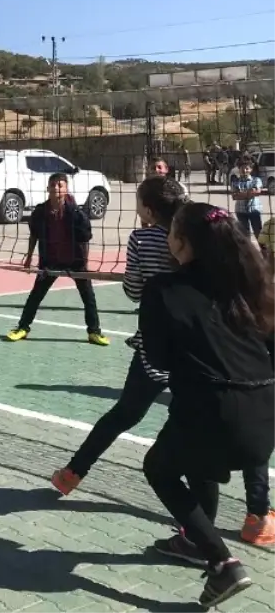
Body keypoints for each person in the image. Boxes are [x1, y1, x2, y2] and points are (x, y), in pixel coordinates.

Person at [138, 202, 275, 607]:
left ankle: (222, 561)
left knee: (159, 468)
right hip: (265, 417)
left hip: (212, 409)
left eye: (172, 230)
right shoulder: (251, 282)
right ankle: (197, 542)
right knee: (196, 463)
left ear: (182, 241)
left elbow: (158, 361)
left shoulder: (163, 290)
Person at [5, 172, 109, 346]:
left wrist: (84, 262)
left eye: (60, 185)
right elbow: (34, 235)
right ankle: (22, 328)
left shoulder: (76, 212)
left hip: (75, 261)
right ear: (48, 188)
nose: (56, 188)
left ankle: (94, 332)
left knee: (88, 296)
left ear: (66, 189)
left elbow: (86, 238)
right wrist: (29, 257)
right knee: (36, 295)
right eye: (53, 185)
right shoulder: (40, 211)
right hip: (50, 260)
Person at [231, 155, 264, 239]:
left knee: (258, 233)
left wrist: (241, 193)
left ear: (251, 169)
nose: (244, 170)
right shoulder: (235, 181)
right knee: (245, 235)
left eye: (247, 168)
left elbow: (257, 192)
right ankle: (249, 252)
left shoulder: (256, 180)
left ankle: (263, 252)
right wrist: (249, 193)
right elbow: (234, 196)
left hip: (254, 210)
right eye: (242, 168)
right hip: (240, 211)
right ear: (239, 169)